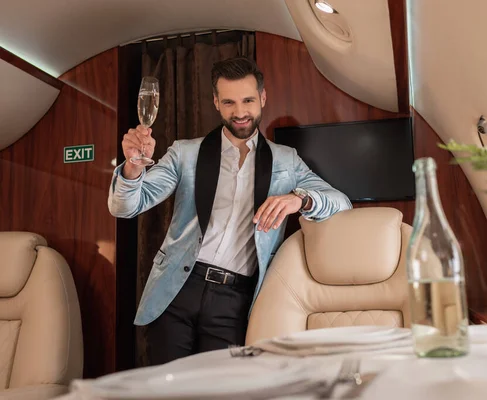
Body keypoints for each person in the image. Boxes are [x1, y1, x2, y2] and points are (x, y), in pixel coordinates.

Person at [108, 56, 352, 365]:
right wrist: (131, 167)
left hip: (235, 299)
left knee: (220, 390)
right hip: (177, 290)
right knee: (166, 391)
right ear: (215, 103)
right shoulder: (185, 153)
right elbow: (125, 207)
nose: (240, 112)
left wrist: (299, 199)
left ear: (262, 97)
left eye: (248, 100)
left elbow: (341, 202)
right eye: (229, 102)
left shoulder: (286, 161)